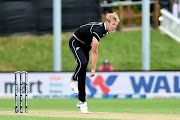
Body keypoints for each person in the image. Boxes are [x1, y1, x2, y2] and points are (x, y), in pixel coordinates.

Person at [68, 12, 120, 114]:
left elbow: (92, 48)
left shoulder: (106, 31)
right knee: (83, 63)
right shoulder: (98, 30)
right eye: (113, 24)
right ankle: (74, 79)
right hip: (75, 42)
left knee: (83, 72)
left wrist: (92, 68)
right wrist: (93, 68)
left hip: (85, 46)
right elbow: (95, 51)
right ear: (107, 22)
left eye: (116, 25)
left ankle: (82, 102)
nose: (114, 27)